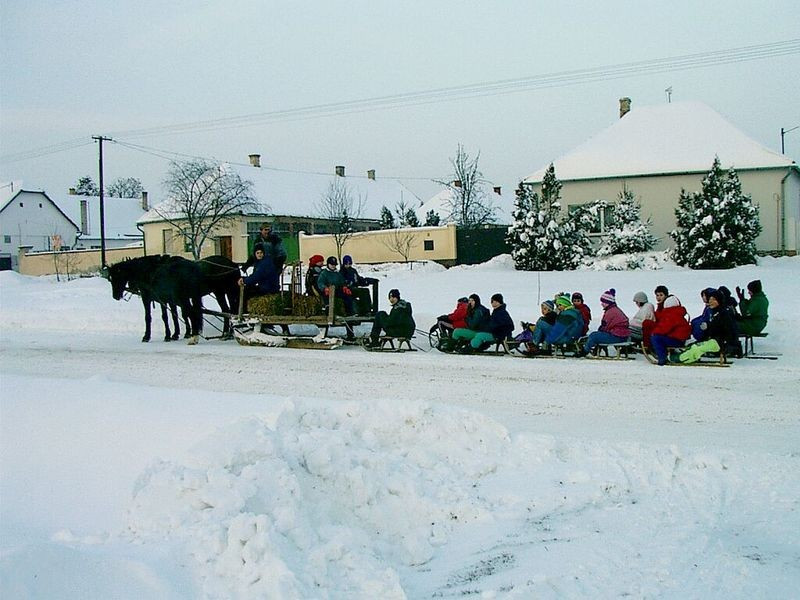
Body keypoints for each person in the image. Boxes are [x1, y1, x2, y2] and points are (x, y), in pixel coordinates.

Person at [673, 289, 738, 364]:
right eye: (710, 299)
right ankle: (684, 357)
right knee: (693, 346)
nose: (711, 301)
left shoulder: (724, 313)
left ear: (719, 301)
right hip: (714, 340)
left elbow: (727, 330)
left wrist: (709, 326)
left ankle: (680, 359)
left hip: (722, 342)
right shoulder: (713, 312)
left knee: (698, 348)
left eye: (714, 299)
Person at [577, 289, 630, 357]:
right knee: (597, 335)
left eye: (603, 302)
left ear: (608, 303)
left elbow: (604, 327)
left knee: (594, 336)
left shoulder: (610, 312)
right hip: (623, 336)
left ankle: (584, 351)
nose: (601, 304)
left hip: (617, 336)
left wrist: (598, 334)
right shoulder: (616, 310)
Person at [649, 294, 692, 365]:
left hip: (677, 340)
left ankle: (662, 358)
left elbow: (663, 328)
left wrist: (653, 333)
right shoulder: (678, 313)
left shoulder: (671, 314)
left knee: (656, 338)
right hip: (681, 339)